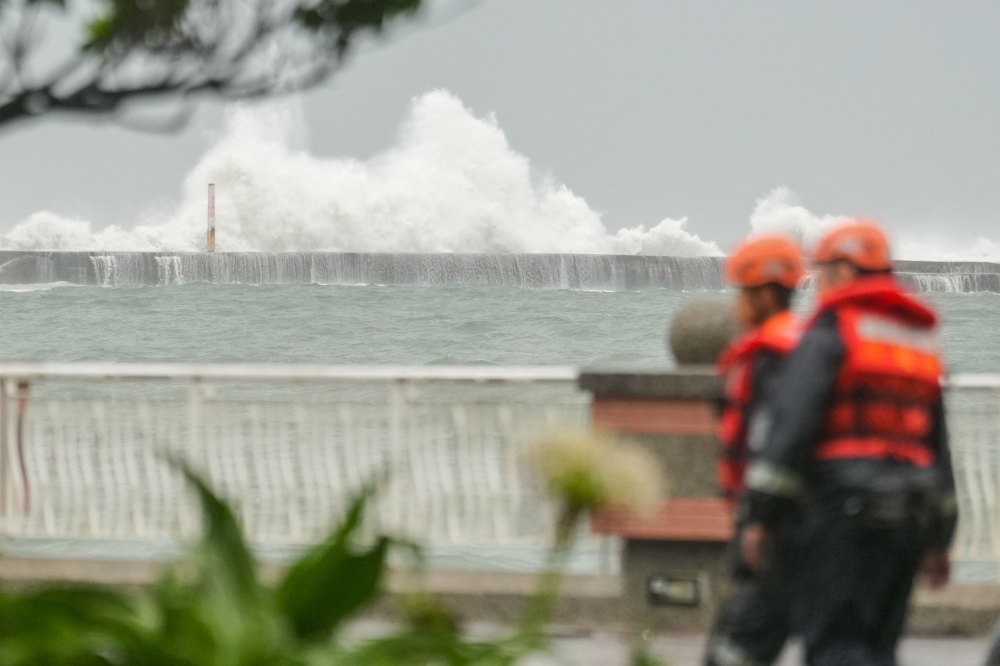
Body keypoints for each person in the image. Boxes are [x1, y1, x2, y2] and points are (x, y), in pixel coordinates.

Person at [742, 220, 956, 666]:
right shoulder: (919, 343)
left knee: (835, 647)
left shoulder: (832, 333)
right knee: (879, 648)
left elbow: (792, 428)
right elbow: (938, 447)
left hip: (846, 514)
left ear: (842, 271)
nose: (817, 285)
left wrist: (762, 516)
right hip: (911, 519)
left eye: (821, 272)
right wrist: (941, 538)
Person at [705, 235, 805, 666]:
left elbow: (772, 444)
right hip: (796, 521)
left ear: (765, 295)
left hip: (775, 526)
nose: (738, 304)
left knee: (736, 646)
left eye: (743, 294)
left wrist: (759, 520)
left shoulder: (771, 357)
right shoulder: (805, 346)